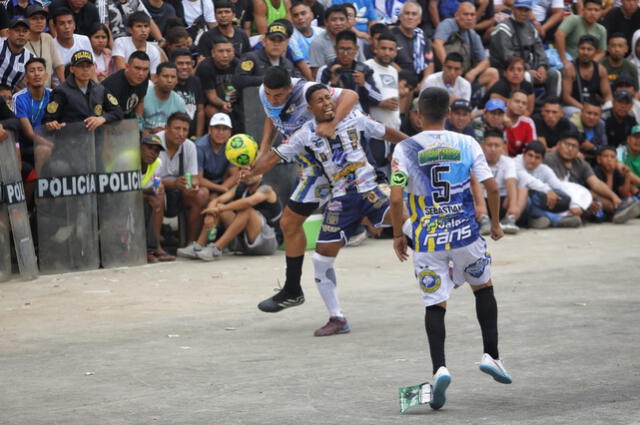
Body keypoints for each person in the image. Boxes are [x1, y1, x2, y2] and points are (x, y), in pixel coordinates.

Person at [249, 83, 408, 334]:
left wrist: (417, 146)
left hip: (369, 190)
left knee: (407, 221)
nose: (327, 103)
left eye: (328, 98)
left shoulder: (354, 116)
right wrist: (251, 171)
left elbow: (386, 132)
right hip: (341, 198)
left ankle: (447, 262)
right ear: (310, 109)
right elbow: (275, 156)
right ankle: (337, 318)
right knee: (321, 257)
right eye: (320, 101)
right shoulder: (305, 133)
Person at [389, 87, 512, 411]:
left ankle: (439, 368)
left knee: (435, 303)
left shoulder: (405, 148)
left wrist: (399, 235)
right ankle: (491, 355)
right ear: (447, 113)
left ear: (418, 114)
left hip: (428, 241)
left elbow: (396, 197)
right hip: (465, 236)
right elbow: (491, 186)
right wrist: (496, 223)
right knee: (483, 289)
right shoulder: (467, 142)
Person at [252, 66, 359, 313]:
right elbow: (272, 115)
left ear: (289, 88)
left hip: (341, 161)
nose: (272, 99)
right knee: (289, 223)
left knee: (381, 214)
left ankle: (434, 249)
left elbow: (351, 96)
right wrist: (264, 147)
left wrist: (332, 124)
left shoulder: (308, 90)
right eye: (268, 94)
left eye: (278, 95)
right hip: (315, 166)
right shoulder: (264, 92)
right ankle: (292, 290)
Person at [544, 131, 637, 223]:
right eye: (567, 144)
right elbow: (560, 186)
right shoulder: (550, 159)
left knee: (593, 194)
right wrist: (585, 201)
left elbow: (595, 182)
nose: (570, 149)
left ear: (578, 149)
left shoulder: (580, 163)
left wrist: (614, 197)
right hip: (552, 197)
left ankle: (617, 209)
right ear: (558, 144)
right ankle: (615, 211)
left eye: (574, 146)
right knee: (588, 194)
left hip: (574, 198)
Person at [196, 170, 282, 260]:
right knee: (218, 208)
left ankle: (216, 249)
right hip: (243, 240)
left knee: (246, 211)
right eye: (245, 171)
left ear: (261, 172)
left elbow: (249, 201)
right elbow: (217, 200)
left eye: (252, 171)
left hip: (267, 241)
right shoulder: (240, 187)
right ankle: (198, 246)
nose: (248, 174)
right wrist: (210, 214)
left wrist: (221, 208)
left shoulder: (266, 189)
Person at [156, 112, 210, 249]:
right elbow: (152, 179)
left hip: (179, 190)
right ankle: (155, 245)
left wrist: (194, 186)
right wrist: (173, 183)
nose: (181, 133)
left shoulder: (190, 146)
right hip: (156, 187)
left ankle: (191, 244)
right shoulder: (154, 142)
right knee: (158, 190)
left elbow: (194, 177)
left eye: (185, 130)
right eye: (177, 128)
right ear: (166, 128)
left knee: (201, 194)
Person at [490, 0, 559, 101]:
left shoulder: (531, 28)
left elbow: (540, 50)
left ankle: (550, 105)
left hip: (529, 67)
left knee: (554, 74)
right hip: (506, 70)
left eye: (526, 10)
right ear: (513, 9)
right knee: (526, 76)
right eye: (520, 9)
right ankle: (526, 108)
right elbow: (507, 57)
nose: (523, 13)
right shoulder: (503, 27)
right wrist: (526, 69)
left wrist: (542, 66)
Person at [43, 50, 123, 130]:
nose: (85, 69)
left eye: (88, 66)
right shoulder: (61, 91)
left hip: (96, 139)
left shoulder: (100, 89)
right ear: (72, 69)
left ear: (93, 68)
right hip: (71, 139)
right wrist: (52, 124)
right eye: (81, 66)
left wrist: (102, 118)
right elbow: (49, 119)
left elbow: (117, 112)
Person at [432, 2, 498, 90]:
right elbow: (437, 44)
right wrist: (448, 67)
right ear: (457, 15)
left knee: (492, 73)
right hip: (445, 74)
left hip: (463, 77)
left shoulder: (473, 34)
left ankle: (480, 102)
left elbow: (485, 61)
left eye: (472, 15)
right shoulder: (448, 24)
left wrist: (473, 72)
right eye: (465, 14)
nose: (469, 18)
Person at [516, 140, 582, 228]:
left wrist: (574, 205)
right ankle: (556, 219)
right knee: (526, 197)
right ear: (524, 154)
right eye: (530, 155)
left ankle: (534, 219)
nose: (532, 160)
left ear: (542, 160)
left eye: (537, 157)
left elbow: (559, 186)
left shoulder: (544, 169)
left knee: (562, 197)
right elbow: (527, 180)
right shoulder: (515, 163)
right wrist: (548, 190)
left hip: (534, 204)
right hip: (512, 205)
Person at [317, 30, 381, 114]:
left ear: (356, 49)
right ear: (335, 49)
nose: (345, 53)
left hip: (360, 119)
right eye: (341, 49)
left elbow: (378, 99)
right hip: (335, 117)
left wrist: (363, 84)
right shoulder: (325, 70)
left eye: (349, 49)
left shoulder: (364, 69)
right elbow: (318, 100)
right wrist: (332, 82)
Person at [365, 31, 401, 176]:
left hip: (393, 131)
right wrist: (380, 103)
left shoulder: (393, 71)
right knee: (374, 174)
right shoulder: (366, 67)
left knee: (390, 176)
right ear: (375, 49)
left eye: (391, 49)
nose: (387, 52)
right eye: (383, 48)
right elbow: (360, 95)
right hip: (374, 133)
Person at [139, 134, 176, 263]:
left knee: (158, 196)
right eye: (149, 148)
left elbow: (156, 186)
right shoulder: (129, 159)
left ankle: (153, 247)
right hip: (118, 198)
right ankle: (151, 248)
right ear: (140, 147)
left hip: (140, 195)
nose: (153, 153)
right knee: (151, 201)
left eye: (156, 151)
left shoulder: (158, 163)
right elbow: (123, 191)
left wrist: (157, 188)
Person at [479, 130, 524, 234]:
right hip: (482, 202)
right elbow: (475, 186)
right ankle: (484, 221)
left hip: (501, 202)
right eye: (489, 145)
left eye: (497, 145)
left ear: (503, 147)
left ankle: (510, 219)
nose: (493, 149)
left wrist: (513, 205)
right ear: (482, 146)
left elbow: (511, 183)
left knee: (522, 187)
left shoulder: (508, 162)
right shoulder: (477, 162)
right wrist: (481, 206)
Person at [233, 22, 299, 90]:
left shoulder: (288, 64)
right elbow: (239, 80)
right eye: (272, 40)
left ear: (286, 43)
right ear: (264, 41)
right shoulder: (251, 58)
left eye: (280, 41)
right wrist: (269, 79)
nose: (276, 44)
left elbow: (299, 82)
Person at [195, 37, 242, 130]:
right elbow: (211, 96)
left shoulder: (238, 65)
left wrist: (238, 93)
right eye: (220, 51)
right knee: (211, 110)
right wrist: (223, 104)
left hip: (235, 101)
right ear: (213, 53)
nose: (225, 55)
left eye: (228, 51)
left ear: (233, 52)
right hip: (212, 103)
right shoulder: (205, 67)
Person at [13, 57, 51, 167]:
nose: (36, 74)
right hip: (26, 145)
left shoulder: (54, 95)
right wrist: (51, 144)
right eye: (32, 71)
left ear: (46, 75)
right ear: (26, 78)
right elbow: (29, 134)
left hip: (50, 141)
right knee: (43, 149)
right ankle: (40, 183)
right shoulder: (19, 98)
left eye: (40, 70)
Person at [561, 35, 612, 116]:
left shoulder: (601, 70)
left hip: (595, 109)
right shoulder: (569, 68)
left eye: (589, 49)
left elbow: (607, 94)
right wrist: (584, 109)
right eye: (582, 48)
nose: (585, 52)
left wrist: (607, 106)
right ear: (578, 50)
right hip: (574, 108)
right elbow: (566, 97)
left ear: (595, 52)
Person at [310, 5, 366, 78]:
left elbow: (362, 65)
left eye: (342, 19)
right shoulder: (318, 43)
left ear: (347, 21)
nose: (338, 23)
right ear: (326, 22)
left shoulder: (354, 39)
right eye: (334, 20)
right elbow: (316, 74)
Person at [195, 113, 239, 200]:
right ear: (209, 130)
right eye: (217, 128)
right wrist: (221, 189)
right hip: (203, 185)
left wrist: (218, 193)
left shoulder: (233, 146)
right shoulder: (199, 146)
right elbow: (198, 179)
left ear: (230, 132)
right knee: (203, 193)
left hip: (223, 183)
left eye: (225, 129)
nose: (221, 132)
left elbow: (234, 175)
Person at [391, 1, 434, 87]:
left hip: (419, 84)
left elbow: (429, 64)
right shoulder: (391, 35)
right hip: (397, 82)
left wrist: (423, 83)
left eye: (414, 14)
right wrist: (407, 81)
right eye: (407, 13)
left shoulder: (422, 37)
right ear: (400, 17)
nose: (410, 17)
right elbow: (389, 61)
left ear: (419, 20)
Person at [555, 0, 606, 67]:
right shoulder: (573, 20)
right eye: (589, 9)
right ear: (583, 10)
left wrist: (590, 64)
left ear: (600, 12)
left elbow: (601, 52)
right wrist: (564, 60)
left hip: (588, 65)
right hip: (568, 62)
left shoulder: (601, 30)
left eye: (596, 10)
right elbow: (559, 35)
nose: (593, 13)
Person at [593, 145, 640, 219]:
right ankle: (617, 212)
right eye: (605, 156)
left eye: (612, 157)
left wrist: (627, 177)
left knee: (633, 200)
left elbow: (623, 193)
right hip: (603, 201)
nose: (609, 159)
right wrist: (609, 175)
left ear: (616, 160)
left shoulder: (616, 172)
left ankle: (624, 211)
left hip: (617, 201)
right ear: (599, 159)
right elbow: (606, 194)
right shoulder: (596, 171)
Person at [102, 50, 150, 120]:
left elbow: (140, 100)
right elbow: (106, 113)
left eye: (145, 69)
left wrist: (138, 122)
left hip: (127, 122)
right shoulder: (113, 85)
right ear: (127, 66)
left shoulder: (144, 79)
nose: (141, 73)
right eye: (137, 68)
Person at [25, 5, 65, 88]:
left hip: (46, 93)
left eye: (42, 18)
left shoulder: (48, 38)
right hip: (25, 94)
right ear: (26, 21)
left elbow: (58, 66)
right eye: (34, 18)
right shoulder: (21, 41)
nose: (39, 21)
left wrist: (66, 87)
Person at [143, 62, 187, 134]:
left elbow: (180, 129)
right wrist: (151, 132)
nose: (169, 80)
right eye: (165, 76)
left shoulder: (180, 102)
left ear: (177, 80)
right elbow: (135, 124)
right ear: (156, 77)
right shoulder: (143, 95)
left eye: (173, 77)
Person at [171, 48, 205, 138]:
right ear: (172, 65)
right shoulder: (169, 83)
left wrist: (198, 137)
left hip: (192, 135)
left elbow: (200, 111)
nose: (185, 67)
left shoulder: (196, 81)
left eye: (188, 63)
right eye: (180, 63)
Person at [98, 0, 164, 41]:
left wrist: (160, 40)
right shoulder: (102, 1)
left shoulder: (135, 1)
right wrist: (113, 49)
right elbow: (104, 27)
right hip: (115, 41)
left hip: (135, 41)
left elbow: (148, 19)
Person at [0, 18, 35, 89]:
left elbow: (25, 85)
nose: (21, 34)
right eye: (17, 30)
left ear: (29, 35)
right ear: (8, 32)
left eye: (25, 31)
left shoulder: (31, 58)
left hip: (9, 97)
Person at [504, 90, 537, 157]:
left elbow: (532, 148)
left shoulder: (528, 122)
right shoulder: (496, 114)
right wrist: (501, 117)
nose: (520, 105)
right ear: (508, 102)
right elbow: (482, 114)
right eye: (517, 101)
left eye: (524, 103)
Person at [617, 125, 640, 189]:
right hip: (626, 188)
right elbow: (621, 169)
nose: (639, 141)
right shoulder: (621, 151)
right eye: (636, 137)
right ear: (628, 139)